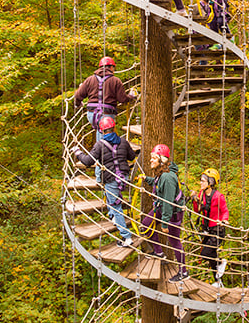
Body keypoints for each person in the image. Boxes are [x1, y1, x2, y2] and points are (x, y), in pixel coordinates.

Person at [74, 116, 137, 247]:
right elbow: (131, 157)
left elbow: (87, 162)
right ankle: (113, 216)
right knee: (113, 198)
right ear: (113, 128)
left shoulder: (100, 145)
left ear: (102, 131)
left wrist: (77, 152)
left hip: (111, 178)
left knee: (116, 206)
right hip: (123, 177)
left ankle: (127, 237)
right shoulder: (123, 141)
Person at [140, 144, 188, 282]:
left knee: (174, 241)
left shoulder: (167, 177)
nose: (150, 161)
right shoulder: (162, 173)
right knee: (145, 225)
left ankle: (183, 271)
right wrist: (146, 179)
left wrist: (165, 223)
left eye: (153, 158)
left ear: (161, 160)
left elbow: (168, 201)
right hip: (163, 209)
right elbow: (157, 183)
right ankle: (159, 252)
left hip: (172, 213)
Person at [74, 56, 137, 135]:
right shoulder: (115, 80)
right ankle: (101, 147)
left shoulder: (89, 79)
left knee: (100, 132)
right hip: (107, 113)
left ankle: (100, 146)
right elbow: (122, 99)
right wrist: (131, 96)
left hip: (91, 114)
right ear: (111, 68)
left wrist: (78, 104)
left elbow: (77, 96)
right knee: (104, 138)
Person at [191, 168, 229, 287]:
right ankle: (218, 281)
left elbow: (224, 211)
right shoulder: (201, 194)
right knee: (207, 253)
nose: (201, 183)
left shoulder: (219, 196)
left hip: (217, 230)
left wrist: (224, 220)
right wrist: (194, 200)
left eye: (203, 181)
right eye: (201, 180)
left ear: (211, 182)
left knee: (207, 253)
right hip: (207, 229)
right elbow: (197, 210)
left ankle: (221, 262)